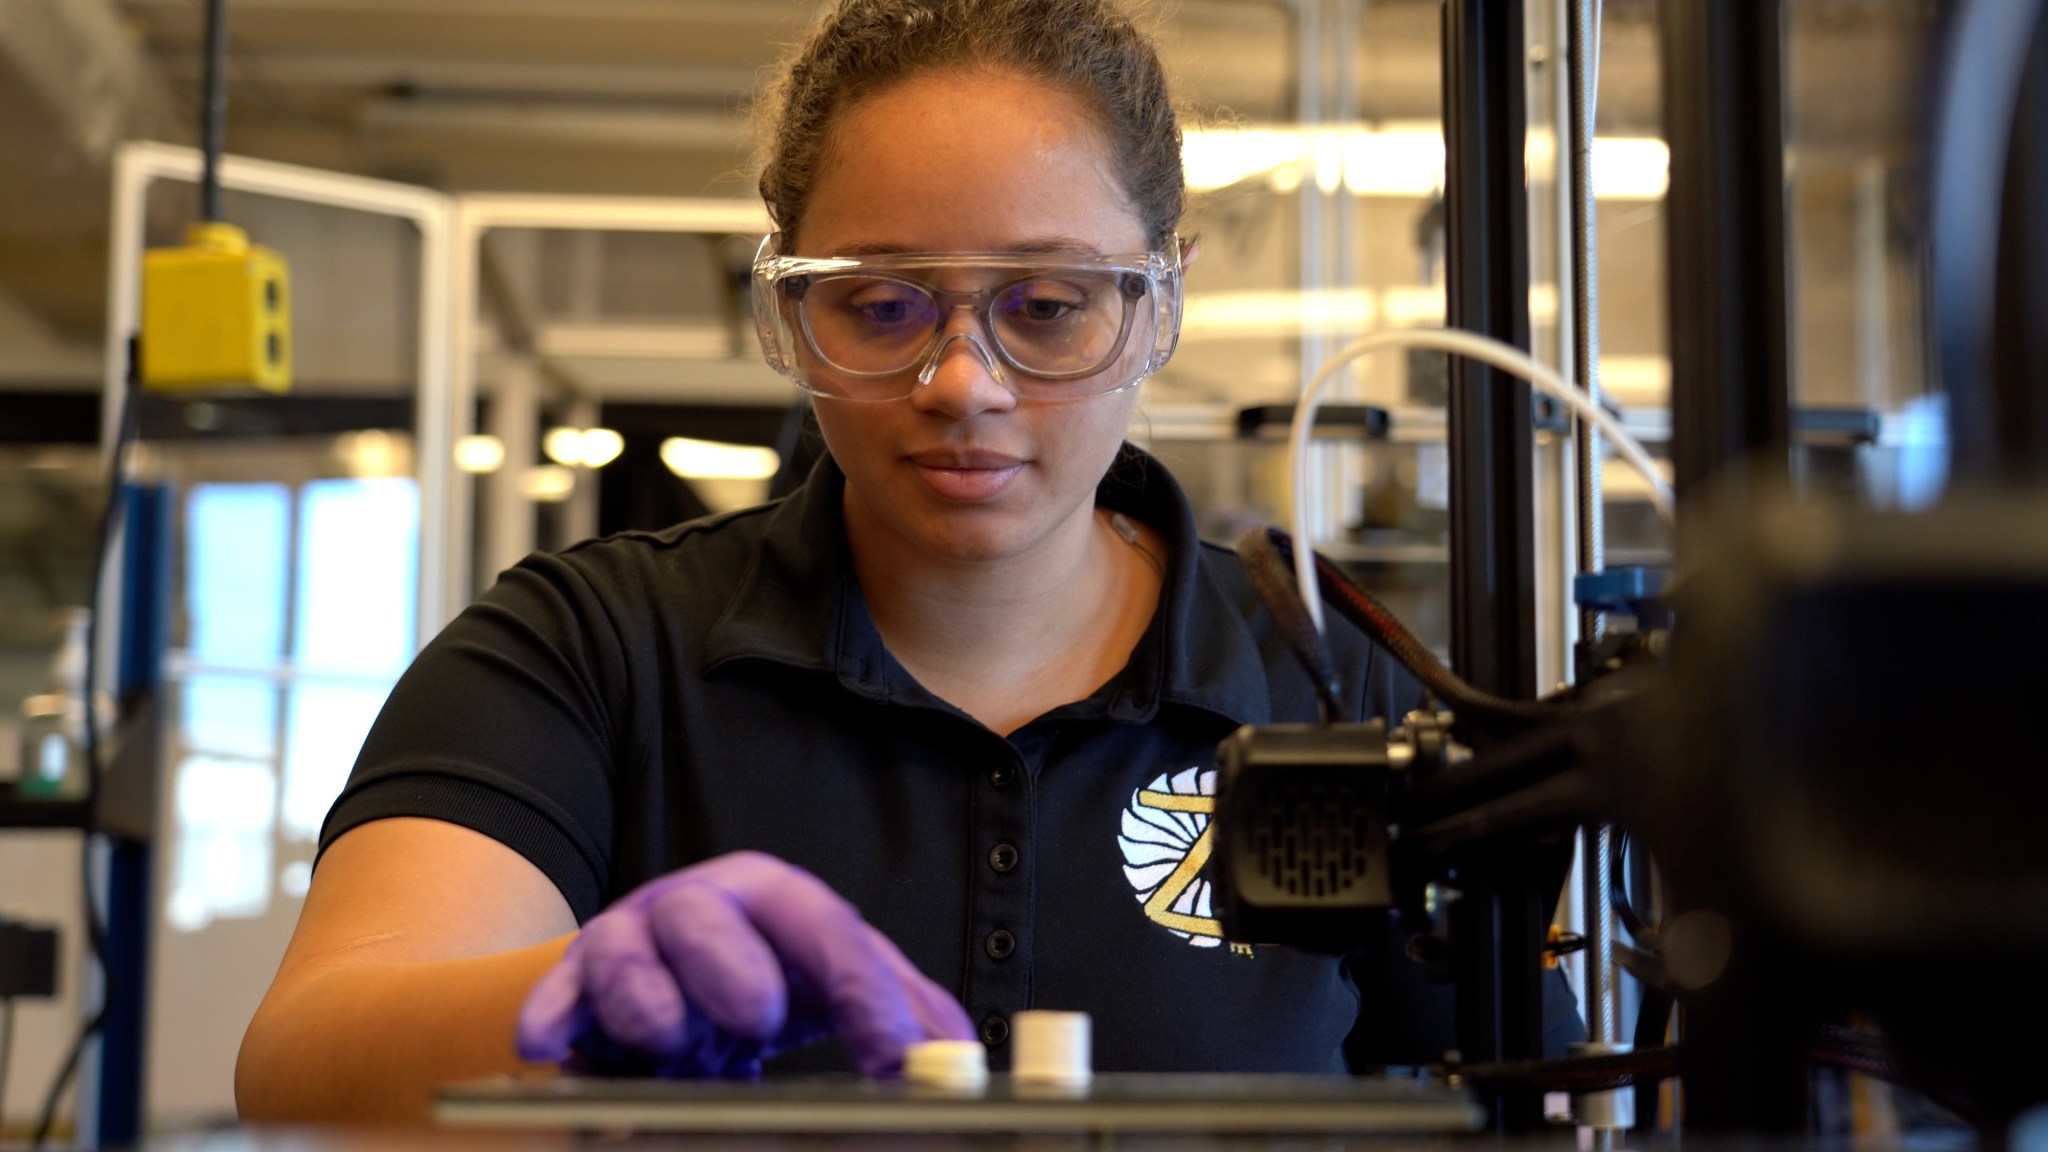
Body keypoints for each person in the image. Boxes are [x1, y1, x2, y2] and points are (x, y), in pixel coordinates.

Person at [238, 0, 1576, 1124]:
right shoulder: (592, 652)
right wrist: (557, 1011)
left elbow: (1531, 1101)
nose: (960, 383)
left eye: (1047, 309)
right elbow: (299, 1074)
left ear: (1162, 297)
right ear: (786, 303)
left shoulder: (1329, 690)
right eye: (881, 306)